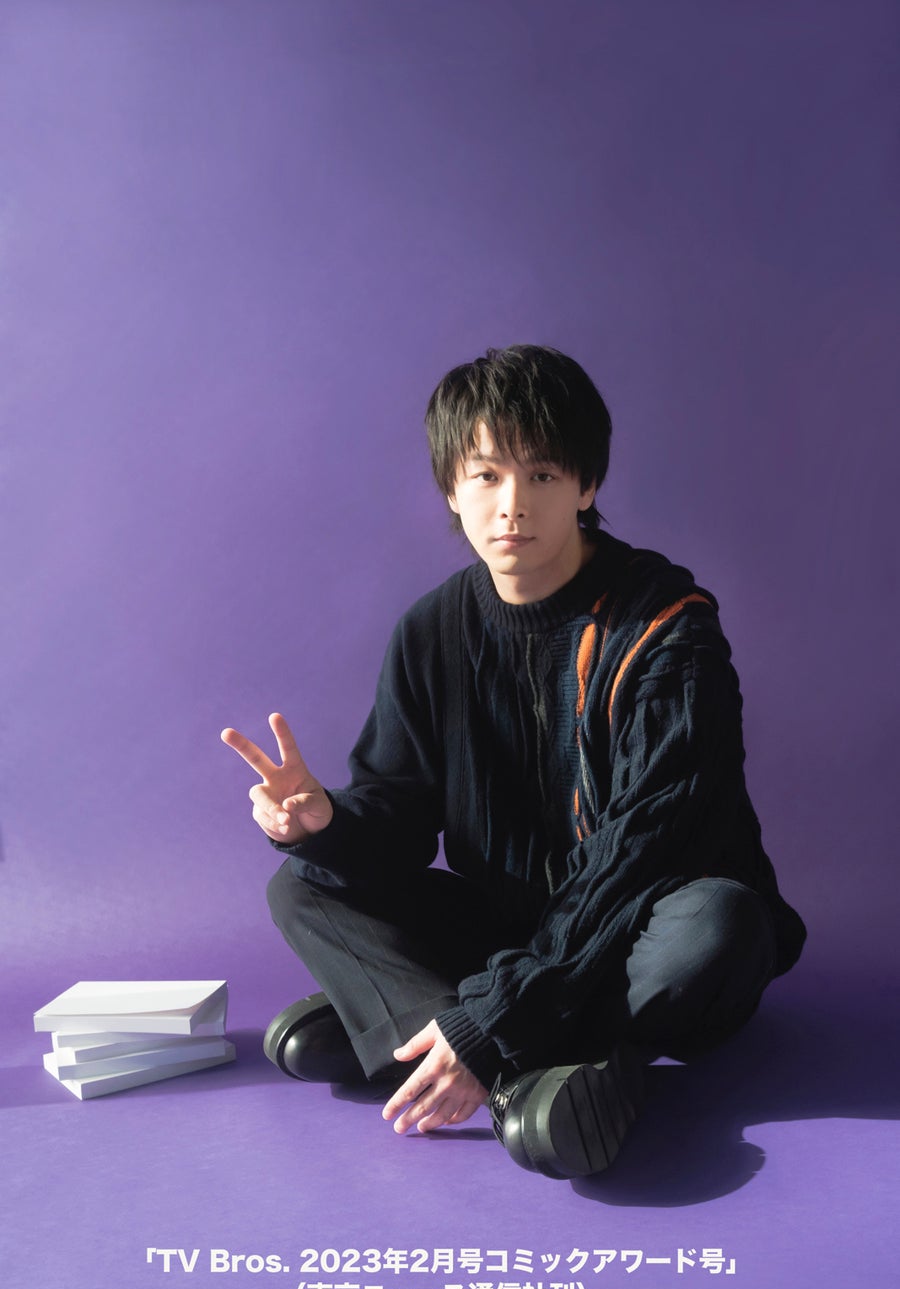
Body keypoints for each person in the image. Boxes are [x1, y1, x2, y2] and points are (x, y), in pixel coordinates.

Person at [221, 345, 805, 1179]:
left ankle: (419, 1032)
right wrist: (322, 823)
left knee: (720, 926)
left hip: (638, 925)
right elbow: (400, 815)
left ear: (587, 486)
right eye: (487, 476)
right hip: (508, 930)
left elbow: (644, 853)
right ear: (451, 490)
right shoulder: (432, 631)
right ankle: (514, 1067)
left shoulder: (669, 630)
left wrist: (489, 1023)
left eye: (542, 475)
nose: (513, 506)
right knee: (302, 884)